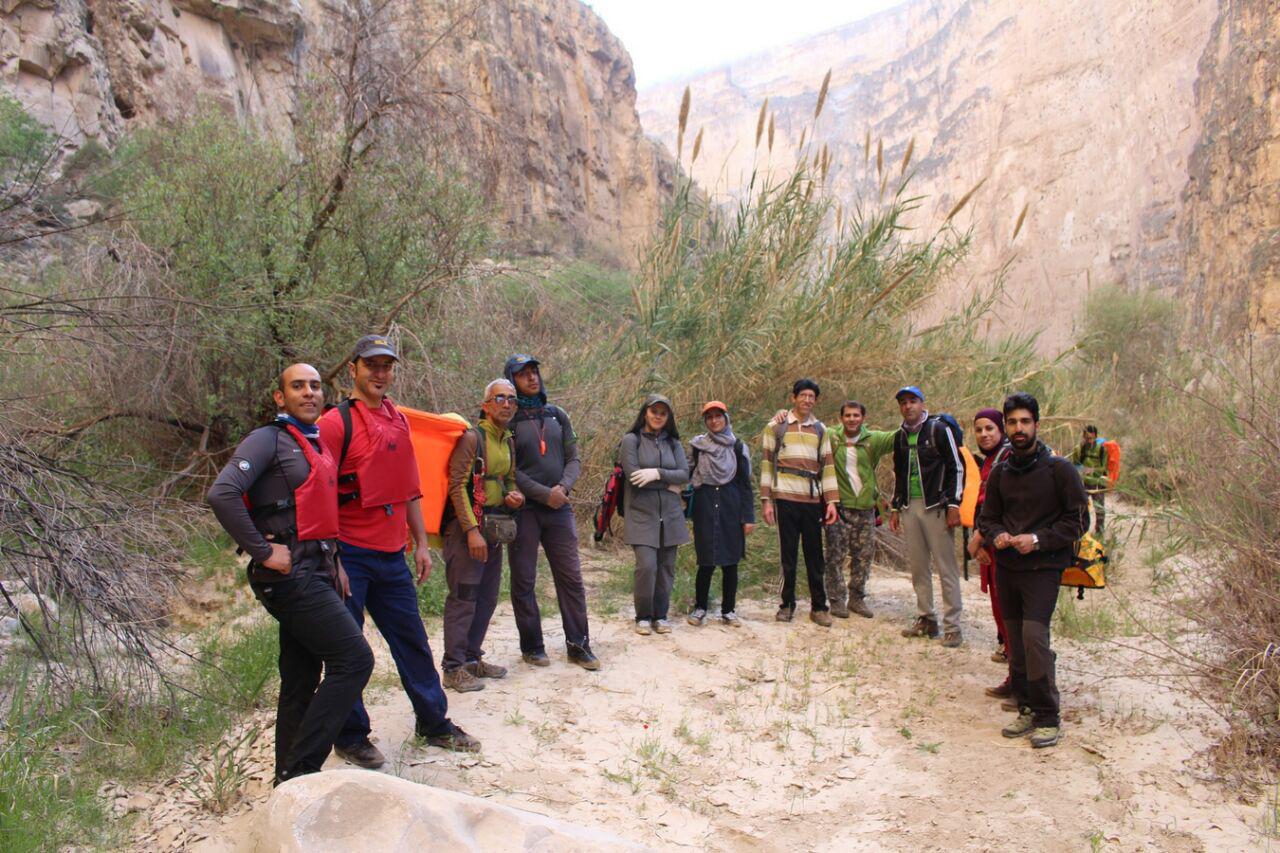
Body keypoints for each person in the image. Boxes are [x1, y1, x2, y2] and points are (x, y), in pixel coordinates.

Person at [207, 363, 374, 785]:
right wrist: (264, 551)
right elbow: (222, 493)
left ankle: (288, 779)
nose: (309, 393)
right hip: (288, 576)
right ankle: (303, 769)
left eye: (315, 386)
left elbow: (316, 511)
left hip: (318, 568)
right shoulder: (267, 440)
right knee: (354, 659)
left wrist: (335, 562)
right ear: (280, 397)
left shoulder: (314, 442)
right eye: (297, 386)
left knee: (301, 678)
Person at [319, 335, 478, 768]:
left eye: (387, 365)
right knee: (348, 650)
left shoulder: (397, 419)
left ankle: (434, 723)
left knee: (412, 643)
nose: (380, 373)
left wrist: (422, 543)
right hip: (349, 554)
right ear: (353, 368)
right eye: (372, 364)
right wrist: (331, 557)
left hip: (392, 555)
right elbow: (321, 492)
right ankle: (350, 735)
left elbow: (409, 488)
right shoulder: (336, 424)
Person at [979, 392, 1088, 749]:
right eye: (1012, 422)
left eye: (1025, 422)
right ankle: (1026, 706)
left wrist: (1038, 539)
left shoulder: (1060, 470)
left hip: (1043, 568)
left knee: (1034, 639)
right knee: (1016, 642)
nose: (1018, 428)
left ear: (1037, 425)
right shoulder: (1001, 473)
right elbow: (988, 519)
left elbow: (1078, 521)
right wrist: (998, 537)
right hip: (1008, 567)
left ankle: (1047, 716)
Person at [503, 354, 600, 670]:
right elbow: (511, 470)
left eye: (534, 372)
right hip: (525, 511)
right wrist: (546, 494)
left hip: (560, 511)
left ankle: (578, 645)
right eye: (523, 374)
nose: (531, 378)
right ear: (512, 380)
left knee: (571, 577)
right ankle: (532, 646)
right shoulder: (508, 420)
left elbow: (574, 459)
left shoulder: (558, 415)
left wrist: (563, 489)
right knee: (524, 580)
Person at [439, 379, 525, 692]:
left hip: (494, 528)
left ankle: (472, 659)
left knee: (487, 598)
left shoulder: (508, 441)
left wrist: (515, 495)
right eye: (499, 398)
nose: (506, 404)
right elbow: (457, 486)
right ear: (485, 405)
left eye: (511, 400)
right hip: (469, 532)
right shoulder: (472, 439)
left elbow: (510, 480)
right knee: (464, 598)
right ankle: (453, 668)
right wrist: (471, 531)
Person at [889, 385, 966, 647]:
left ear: (923, 403)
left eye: (912, 401)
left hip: (937, 506)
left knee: (946, 568)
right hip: (911, 506)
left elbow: (956, 466)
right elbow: (900, 472)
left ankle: (953, 626)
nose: (907, 406)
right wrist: (896, 507)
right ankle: (926, 619)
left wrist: (954, 504)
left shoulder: (938, 429)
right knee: (919, 566)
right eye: (903, 402)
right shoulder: (900, 436)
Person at [760, 379, 839, 627]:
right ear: (794, 397)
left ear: (815, 401)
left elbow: (827, 466)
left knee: (815, 555)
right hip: (784, 497)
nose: (807, 400)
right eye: (803, 395)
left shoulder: (820, 430)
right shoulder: (776, 427)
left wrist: (832, 501)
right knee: (788, 555)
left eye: (811, 397)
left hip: (812, 499)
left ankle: (819, 607)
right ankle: (786, 605)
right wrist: (766, 501)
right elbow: (766, 465)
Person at [620, 394, 691, 634]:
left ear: (668, 417)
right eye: (654, 411)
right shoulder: (631, 440)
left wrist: (658, 473)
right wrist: (669, 484)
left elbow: (684, 475)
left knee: (666, 567)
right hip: (641, 513)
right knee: (647, 566)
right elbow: (634, 477)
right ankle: (643, 616)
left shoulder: (674, 442)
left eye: (663, 412)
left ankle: (660, 616)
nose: (658, 416)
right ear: (645, 413)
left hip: (670, 515)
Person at [824, 400, 895, 619]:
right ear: (841, 418)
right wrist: (780, 415)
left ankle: (857, 598)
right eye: (848, 415)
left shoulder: (873, 439)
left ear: (863, 418)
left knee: (863, 556)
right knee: (835, 555)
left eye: (856, 415)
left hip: (865, 508)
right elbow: (805, 425)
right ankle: (836, 600)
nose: (852, 419)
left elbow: (900, 435)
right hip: (839, 507)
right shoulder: (831, 436)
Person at [687, 401, 755, 628]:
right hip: (705, 505)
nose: (714, 421)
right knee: (705, 560)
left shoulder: (737, 447)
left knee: (730, 562)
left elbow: (745, 485)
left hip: (730, 507)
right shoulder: (698, 446)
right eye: (709, 417)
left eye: (718, 416)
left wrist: (748, 517)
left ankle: (728, 610)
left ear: (726, 418)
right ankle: (700, 608)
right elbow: (687, 475)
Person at [965, 408, 1014, 696]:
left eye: (990, 429)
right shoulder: (991, 460)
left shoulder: (1006, 459)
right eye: (979, 429)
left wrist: (982, 538)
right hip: (992, 544)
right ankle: (1015, 673)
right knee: (1001, 609)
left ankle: (1022, 678)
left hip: (1003, 545)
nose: (984, 434)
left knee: (1009, 611)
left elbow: (1001, 504)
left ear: (1001, 430)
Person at [1068, 425, 1116, 534]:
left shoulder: (1102, 450)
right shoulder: (1079, 449)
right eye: (1087, 438)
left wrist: (1092, 470)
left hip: (1097, 483)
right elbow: (1075, 465)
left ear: (1096, 437)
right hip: (1083, 483)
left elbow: (1103, 467)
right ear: (1083, 437)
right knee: (1080, 508)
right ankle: (1080, 531)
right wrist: (1082, 470)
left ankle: (1099, 533)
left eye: (1092, 438)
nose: (1090, 441)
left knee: (1099, 509)